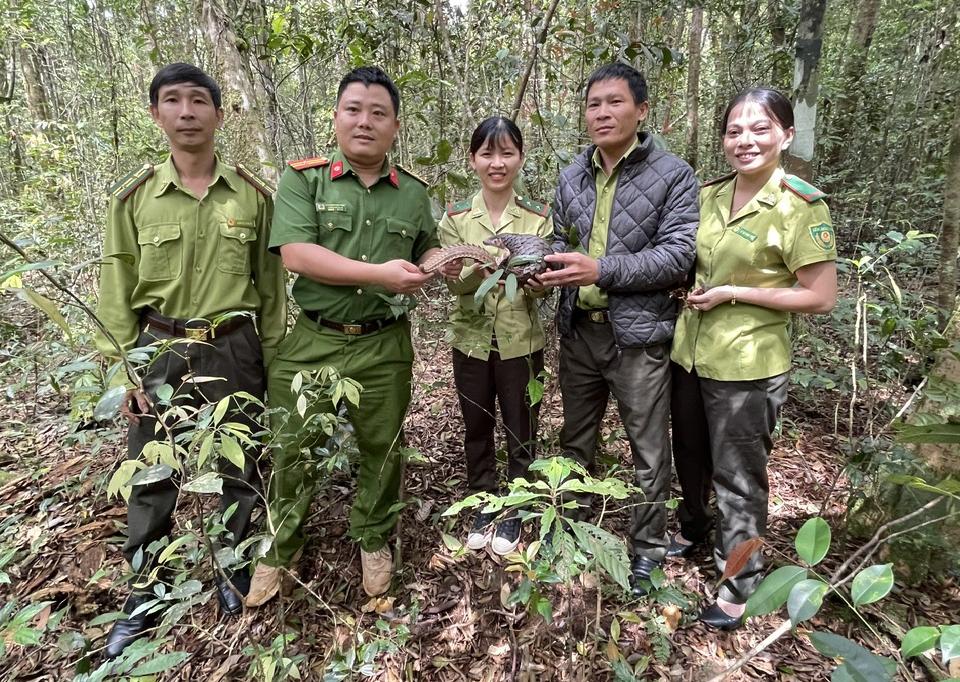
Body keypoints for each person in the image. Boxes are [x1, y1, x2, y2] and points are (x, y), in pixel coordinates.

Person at [95, 63, 285, 658]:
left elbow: (272, 287)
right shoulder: (132, 200)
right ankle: (146, 591)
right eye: (172, 101)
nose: (186, 112)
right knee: (152, 471)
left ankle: (232, 569)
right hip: (158, 348)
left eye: (198, 101)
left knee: (242, 464)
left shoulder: (253, 196)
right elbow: (115, 287)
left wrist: (274, 364)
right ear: (156, 114)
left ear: (218, 113)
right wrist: (122, 369)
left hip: (234, 343)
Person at [245, 66, 441, 605]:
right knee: (293, 450)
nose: (364, 121)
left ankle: (373, 540)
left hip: (384, 344)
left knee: (383, 450)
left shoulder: (414, 194)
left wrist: (439, 261)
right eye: (353, 110)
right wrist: (381, 274)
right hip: (313, 339)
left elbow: (428, 247)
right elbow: (296, 255)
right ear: (335, 117)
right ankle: (281, 549)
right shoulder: (303, 180)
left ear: (395, 126)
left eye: (378, 113)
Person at [669, 87, 838, 630]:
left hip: (749, 364)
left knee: (738, 478)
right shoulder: (708, 195)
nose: (746, 140)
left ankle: (739, 583)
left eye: (760, 128)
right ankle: (692, 529)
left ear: (786, 134)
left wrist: (735, 293)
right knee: (689, 455)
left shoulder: (799, 203)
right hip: (691, 353)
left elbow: (820, 295)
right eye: (735, 130)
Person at [537, 63, 699, 595]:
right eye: (593, 104)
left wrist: (601, 269)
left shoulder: (673, 175)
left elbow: (678, 256)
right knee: (575, 439)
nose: (602, 113)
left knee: (648, 448)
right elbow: (560, 248)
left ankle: (647, 550)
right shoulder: (570, 176)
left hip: (639, 339)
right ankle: (571, 532)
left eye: (614, 102)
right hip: (579, 330)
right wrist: (540, 271)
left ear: (641, 110)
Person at [438, 117, 553, 555]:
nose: (497, 163)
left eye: (506, 153)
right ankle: (484, 501)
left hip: (521, 340)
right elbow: (453, 281)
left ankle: (519, 505)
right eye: (487, 153)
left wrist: (538, 281)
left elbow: (538, 274)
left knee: (521, 426)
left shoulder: (538, 219)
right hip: (470, 341)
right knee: (477, 426)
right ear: (473, 160)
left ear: (520, 158)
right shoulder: (456, 220)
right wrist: (475, 269)